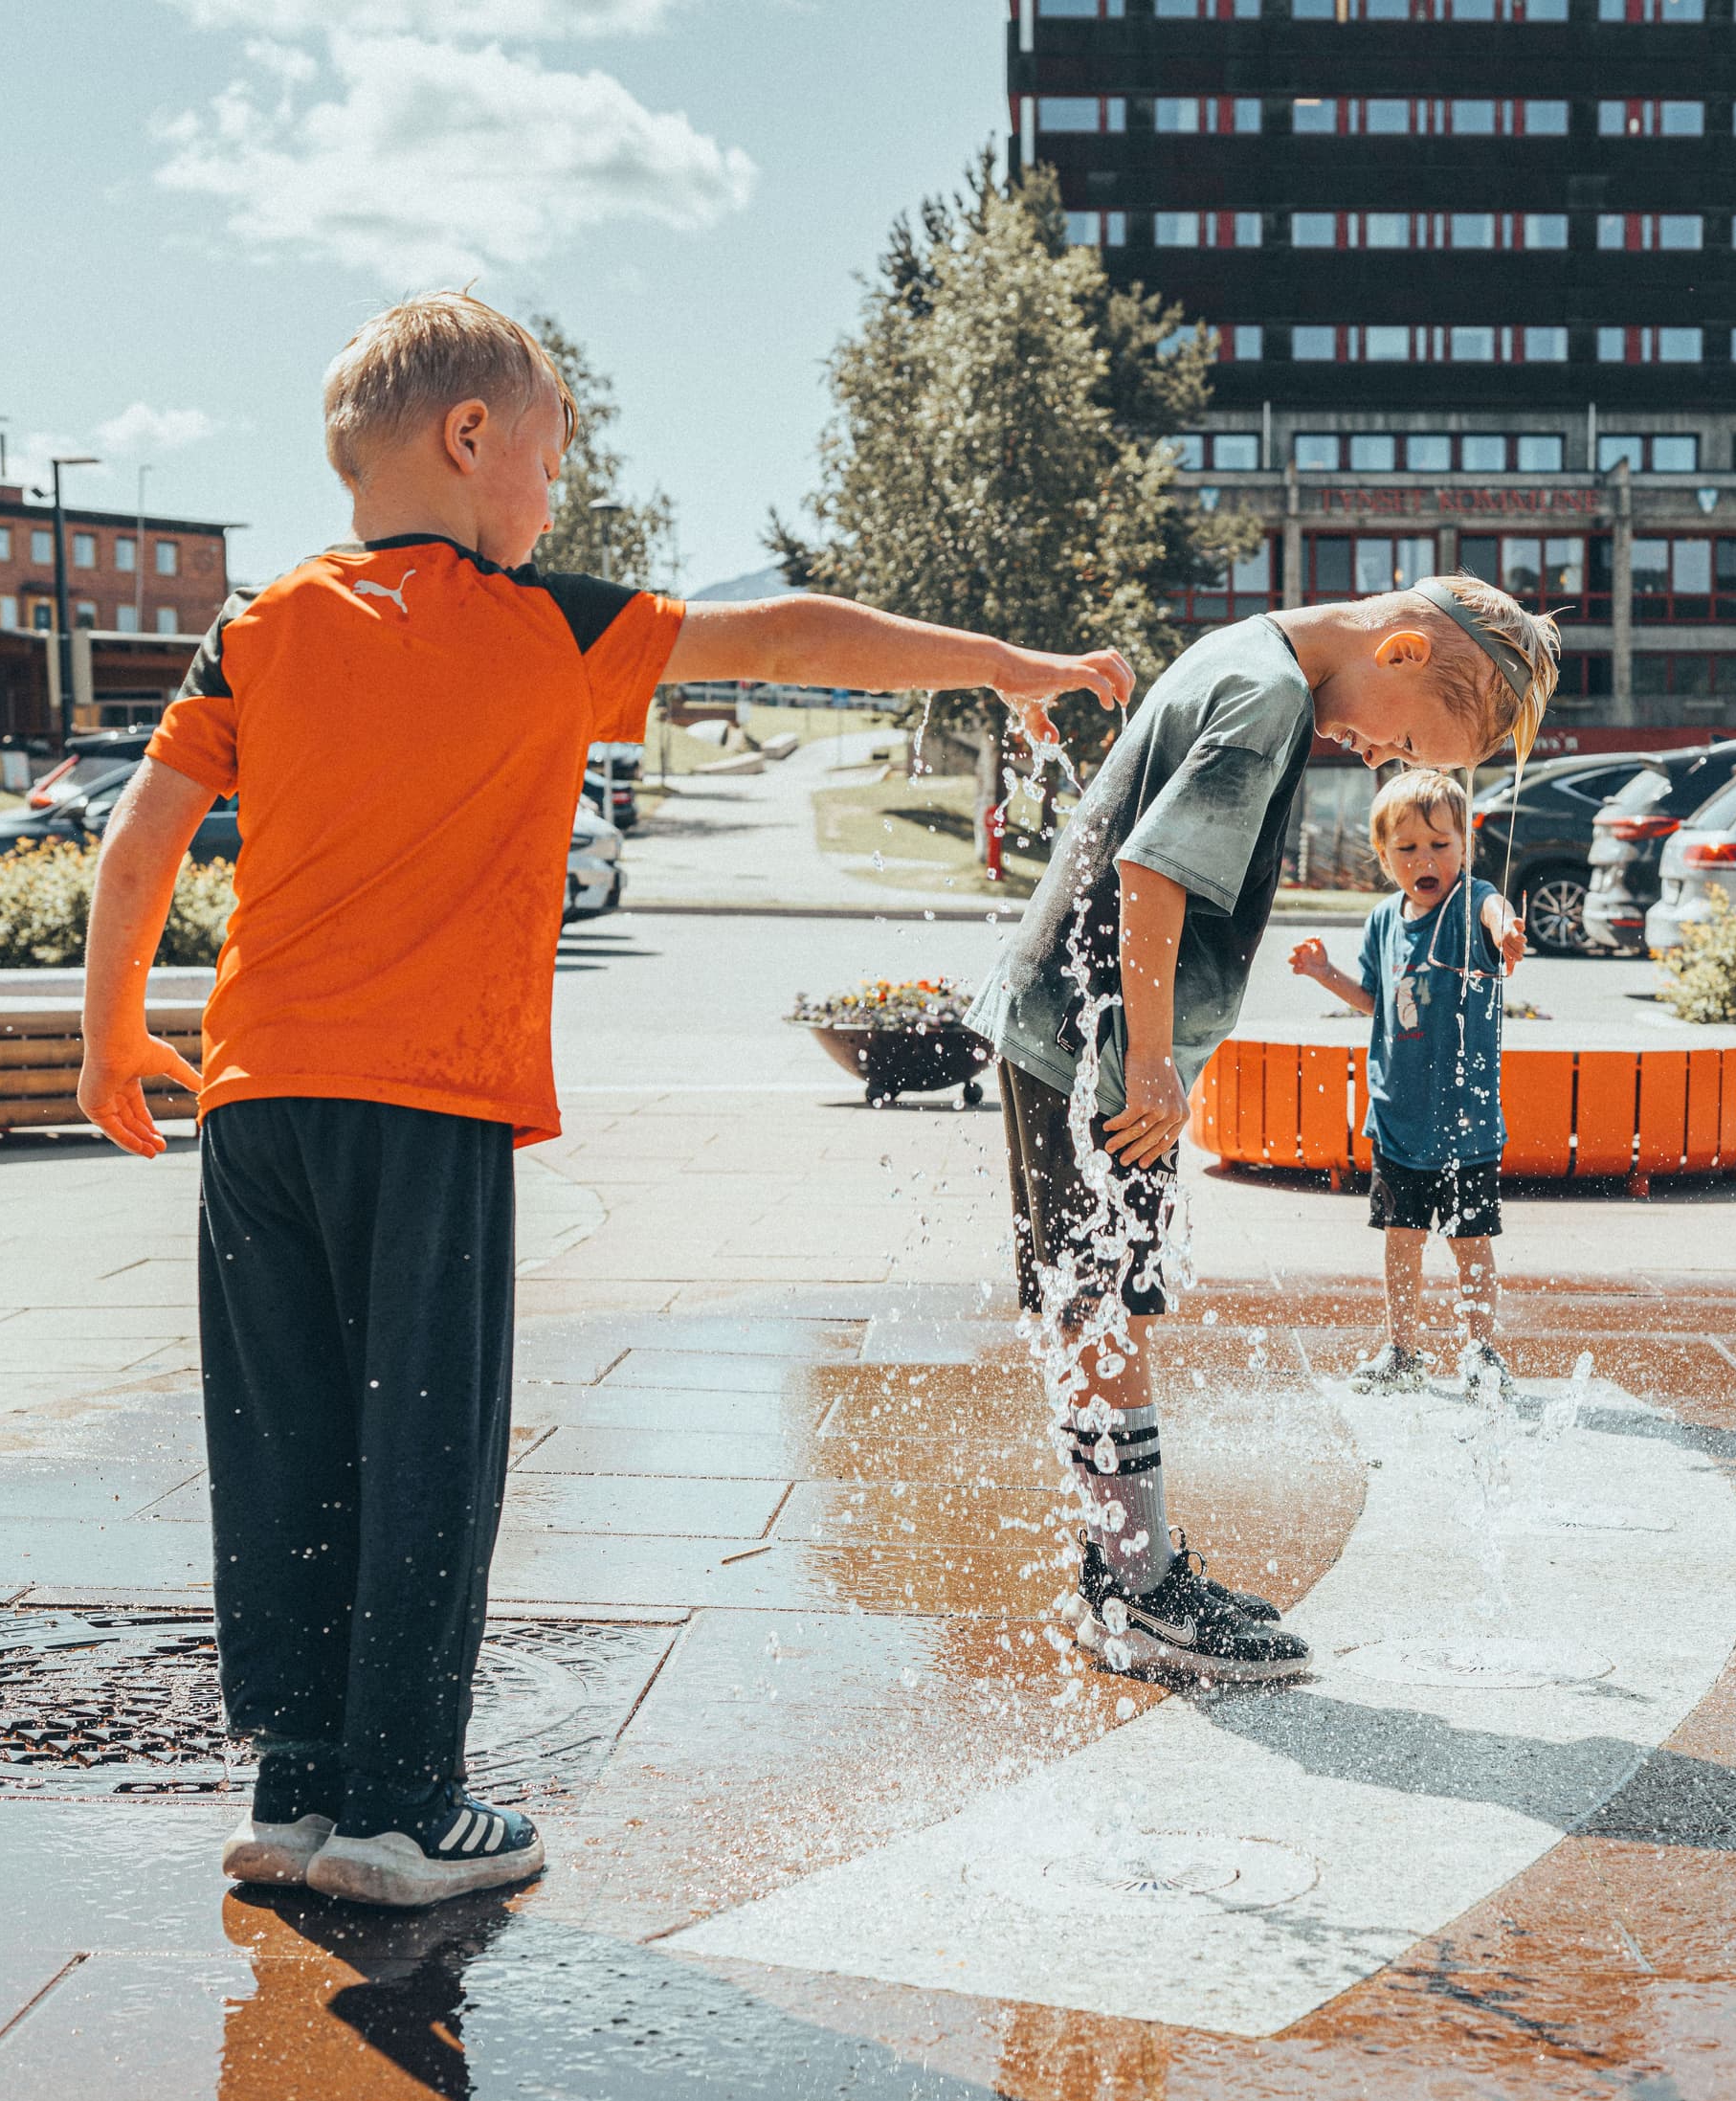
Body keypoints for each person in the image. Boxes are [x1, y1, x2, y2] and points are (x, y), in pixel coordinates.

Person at [74, 290, 1129, 1910]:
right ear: (472, 438)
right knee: (425, 1443)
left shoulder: (257, 628)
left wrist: (101, 1039)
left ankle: (294, 1789)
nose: (555, 500)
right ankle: (406, 1807)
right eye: (550, 460)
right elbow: (787, 634)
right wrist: (1004, 666)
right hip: (422, 1110)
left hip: (255, 1103)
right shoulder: (538, 624)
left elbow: (139, 844)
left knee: (281, 1441)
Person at [972, 571, 1559, 1684]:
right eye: (1412, 742)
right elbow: (1151, 867)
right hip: (1097, 1042)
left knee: (1094, 1300)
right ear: (1398, 653)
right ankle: (1135, 1591)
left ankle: (1117, 1566)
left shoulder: (1249, 654)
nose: (1388, 762)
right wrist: (1149, 1059)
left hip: (1072, 1023)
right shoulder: (1267, 695)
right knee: (1104, 1303)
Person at [1288, 768, 1522, 1395]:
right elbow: (1377, 1002)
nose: (1426, 859)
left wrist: (1507, 930)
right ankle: (1401, 1350)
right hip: (1397, 1117)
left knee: (1471, 1242)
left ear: (1465, 848)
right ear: (1384, 855)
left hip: (1465, 1122)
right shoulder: (1384, 920)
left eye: (1440, 846)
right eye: (1408, 848)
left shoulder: (1472, 902)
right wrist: (1323, 973)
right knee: (1402, 1240)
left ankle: (1480, 1351)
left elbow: (1495, 907)